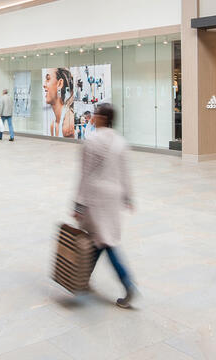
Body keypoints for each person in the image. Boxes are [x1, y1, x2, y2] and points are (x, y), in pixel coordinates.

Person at [72, 103, 136, 308]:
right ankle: (82, 280)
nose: (93, 117)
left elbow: (84, 175)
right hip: (114, 197)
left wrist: (78, 205)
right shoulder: (121, 142)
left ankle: (128, 284)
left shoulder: (91, 141)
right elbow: (126, 172)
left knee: (105, 241)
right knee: (100, 239)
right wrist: (129, 197)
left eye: (96, 114)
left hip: (95, 198)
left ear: (102, 118)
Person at [44, 67, 76, 138]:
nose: (44, 85)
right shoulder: (53, 125)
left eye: (48, 79)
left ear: (60, 83)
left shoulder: (68, 124)